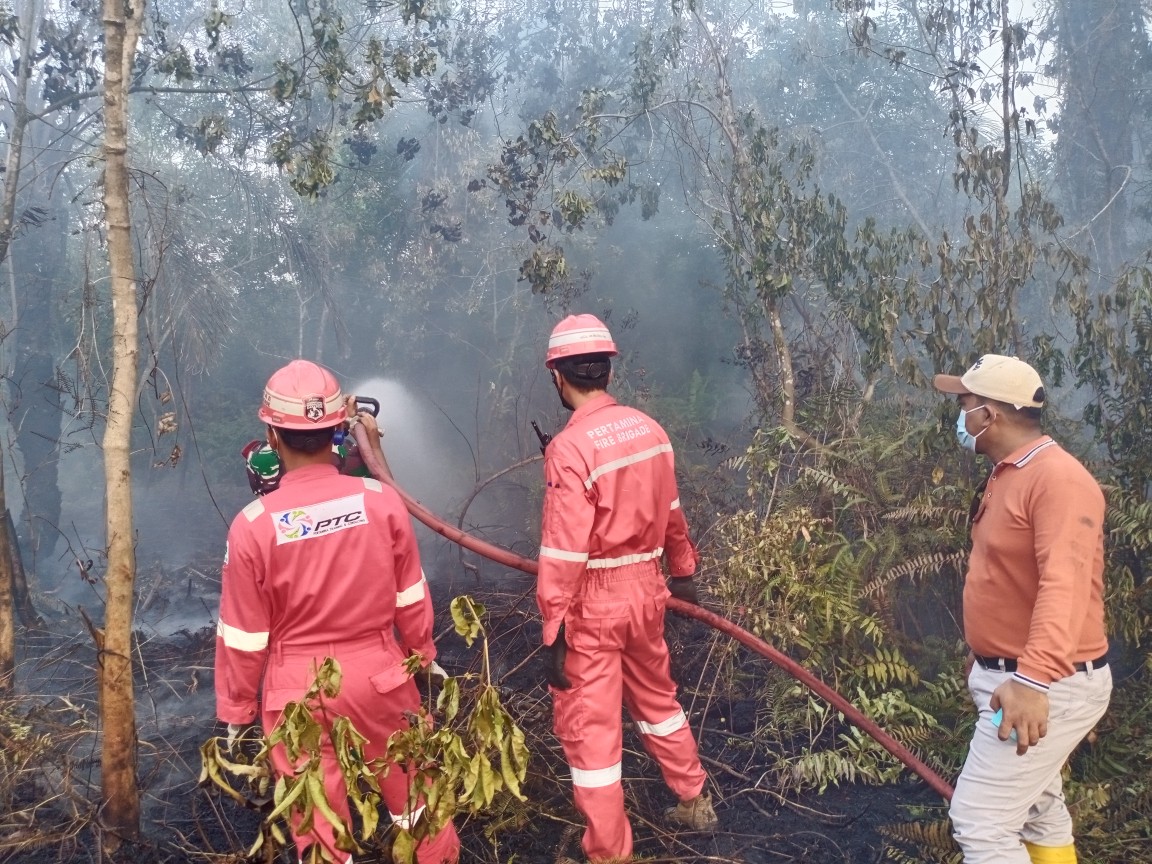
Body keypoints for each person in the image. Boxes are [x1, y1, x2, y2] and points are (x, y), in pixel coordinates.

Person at [214, 359, 460, 864]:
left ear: (271, 435)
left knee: (320, 827)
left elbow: (243, 633)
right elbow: (410, 595)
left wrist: (237, 711)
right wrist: (423, 655)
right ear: (337, 431)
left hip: (295, 692)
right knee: (420, 805)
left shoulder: (252, 524)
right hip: (381, 676)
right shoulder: (381, 500)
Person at [537, 314, 718, 864]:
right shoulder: (649, 429)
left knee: (591, 734)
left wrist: (553, 627)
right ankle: (694, 801)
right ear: (608, 371)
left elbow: (565, 551)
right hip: (646, 591)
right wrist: (683, 572)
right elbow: (671, 510)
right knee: (658, 701)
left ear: (558, 377)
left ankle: (610, 852)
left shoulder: (569, 449)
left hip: (593, 604)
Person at [933, 354, 1111, 864]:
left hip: (1046, 683)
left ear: (989, 415)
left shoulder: (1058, 481)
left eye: (965, 404)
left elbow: (1065, 587)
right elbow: (1010, 578)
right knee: (1039, 809)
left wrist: (1031, 680)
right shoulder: (1010, 472)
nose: (960, 416)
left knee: (981, 821)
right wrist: (987, 655)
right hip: (1013, 676)